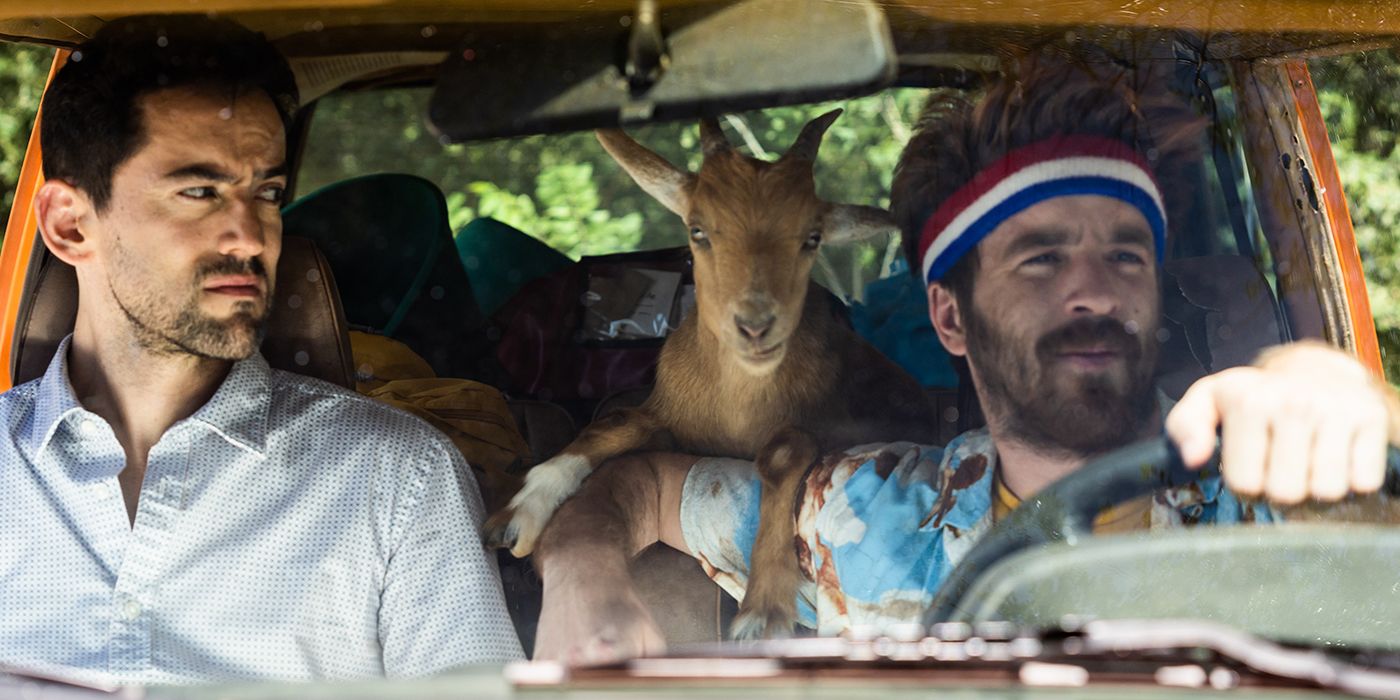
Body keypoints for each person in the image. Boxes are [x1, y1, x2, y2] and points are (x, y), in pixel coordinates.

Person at [529, 53, 1400, 661]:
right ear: (948, 315)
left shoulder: (1265, 499)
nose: (1094, 290)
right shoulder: (859, 518)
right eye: (1042, 258)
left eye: (1126, 255)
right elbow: (637, 491)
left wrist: (1349, 403)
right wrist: (579, 573)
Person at [0, 16, 522, 684]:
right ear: (70, 225)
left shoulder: (395, 480)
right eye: (201, 191)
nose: (250, 236)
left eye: (267, 193)